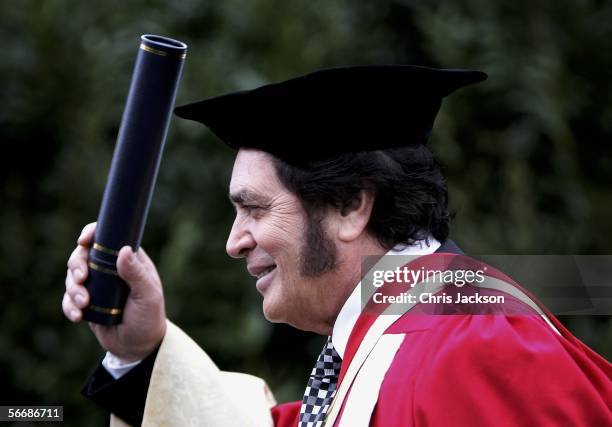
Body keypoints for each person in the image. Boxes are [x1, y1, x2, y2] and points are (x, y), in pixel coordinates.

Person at [62, 65, 612, 426]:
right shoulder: (390, 344)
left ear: (351, 205)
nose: (233, 242)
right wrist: (139, 351)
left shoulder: (473, 350)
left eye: (254, 208)